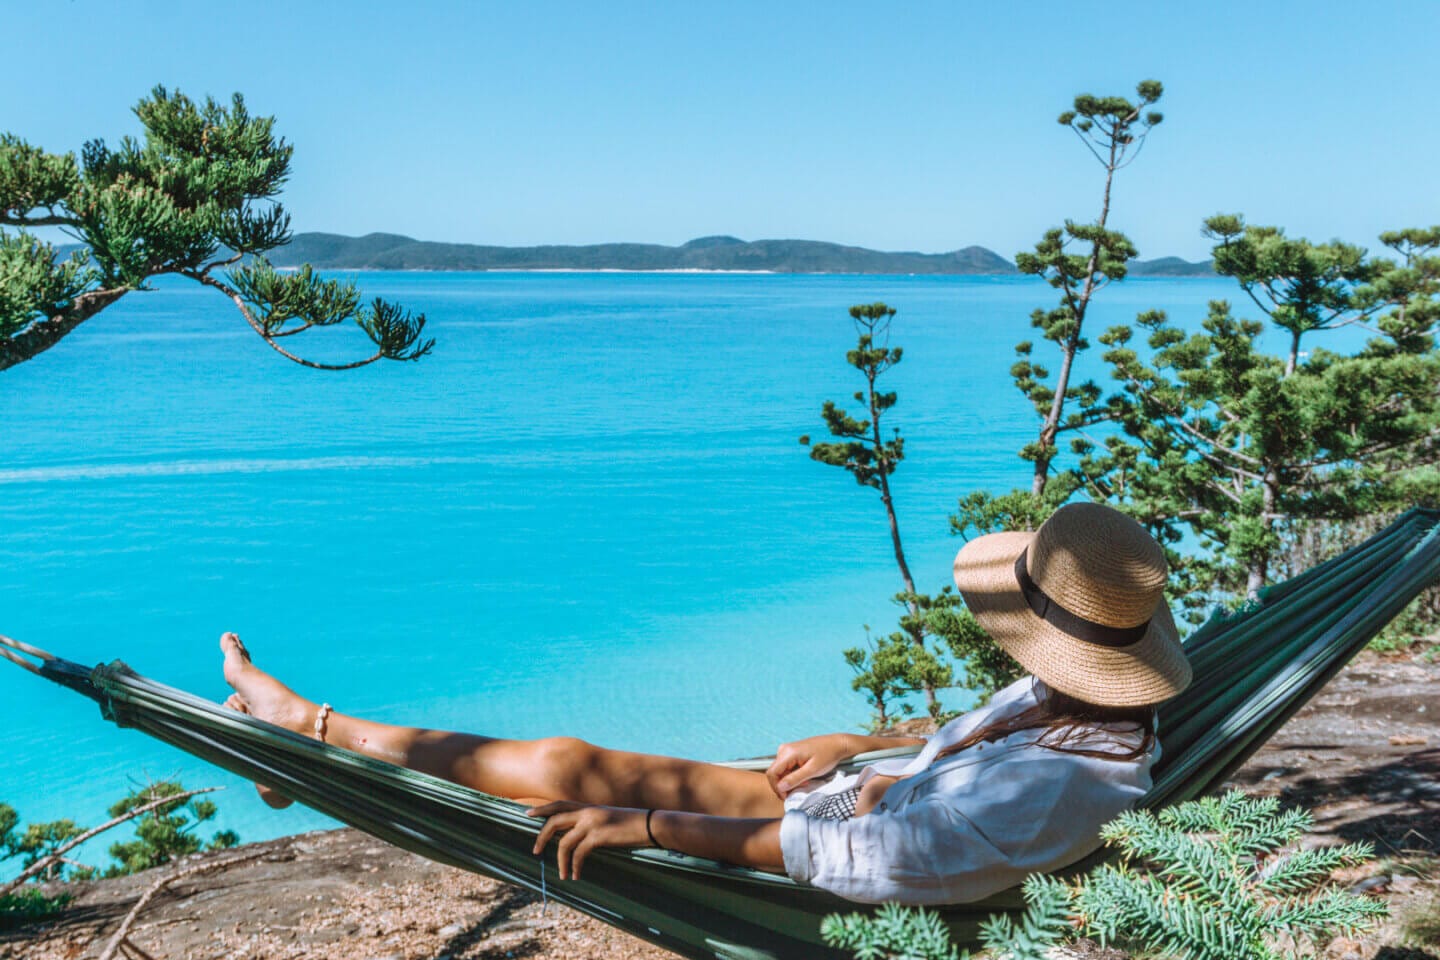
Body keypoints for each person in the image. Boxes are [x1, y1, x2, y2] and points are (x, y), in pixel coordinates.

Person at [219, 501, 1191, 904]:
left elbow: (864, 857)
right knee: (564, 761)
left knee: (562, 789)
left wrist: (647, 826)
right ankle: (310, 742)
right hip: (850, 795)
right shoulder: (1084, 705)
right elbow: (971, 746)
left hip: (812, 863)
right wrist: (860, 742)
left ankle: (309, 738)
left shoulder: (1070, 788)